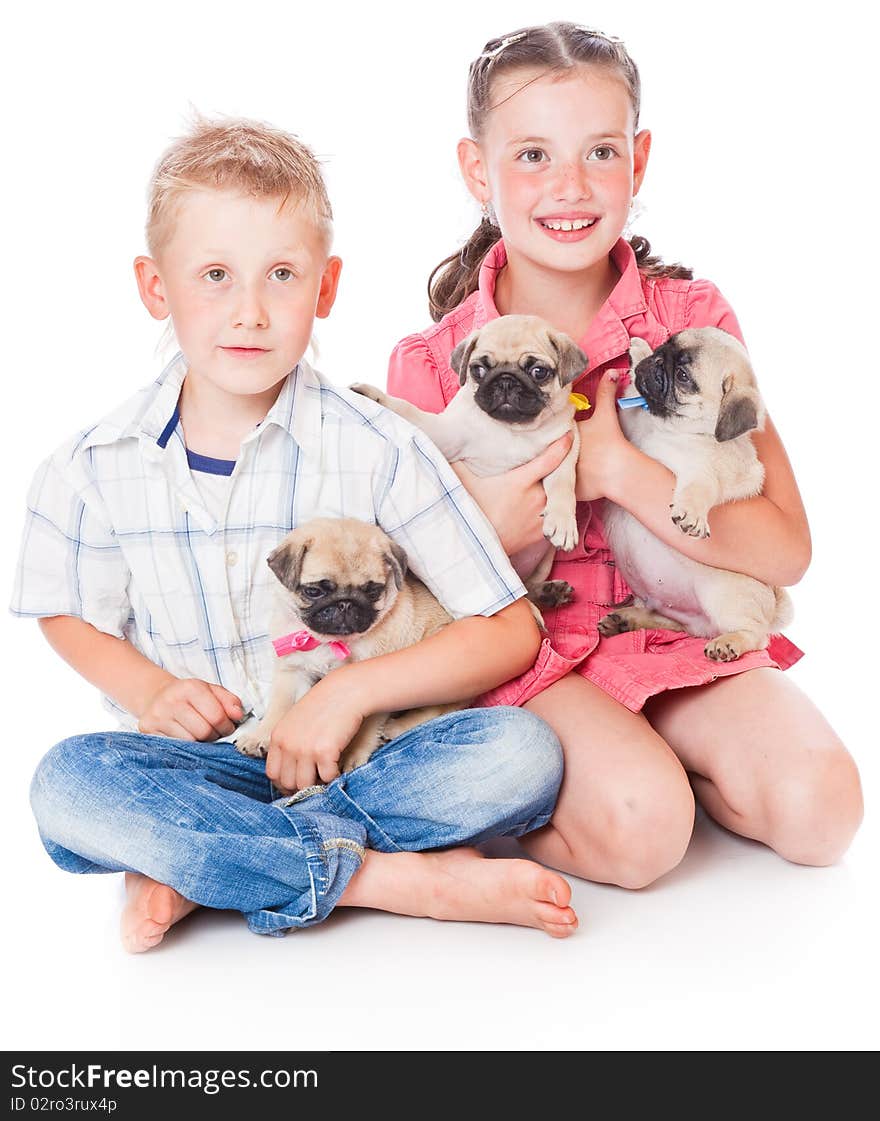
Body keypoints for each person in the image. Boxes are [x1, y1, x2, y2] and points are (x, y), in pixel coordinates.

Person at [10, 116, 579, 952]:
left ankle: (208, 859)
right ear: (155, 286)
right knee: (67, 782)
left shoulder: (383, 446)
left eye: (281, 274)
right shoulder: (92, 464)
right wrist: (149, 692)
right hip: (202, 760)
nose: (249, 310)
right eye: (214, 275)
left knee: (520, 753)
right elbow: (64, 613)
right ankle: (383, 878)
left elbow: (507, 628)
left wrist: (346, 694)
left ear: (326, 286)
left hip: (361, 758)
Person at [387, 22, 863, 890]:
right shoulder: (433, 362)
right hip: (525, 651)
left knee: (822, 808)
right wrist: (500, 526)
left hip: (670, 631)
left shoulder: (690, 320)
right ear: (475, 170)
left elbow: (786, 547)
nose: (568, 185)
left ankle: (651, 755)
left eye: (599, 151)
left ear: (638, 161)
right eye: (531, 154)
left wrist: (615, 470)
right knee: (646, 834)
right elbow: (415, 597)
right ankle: (524, 812)